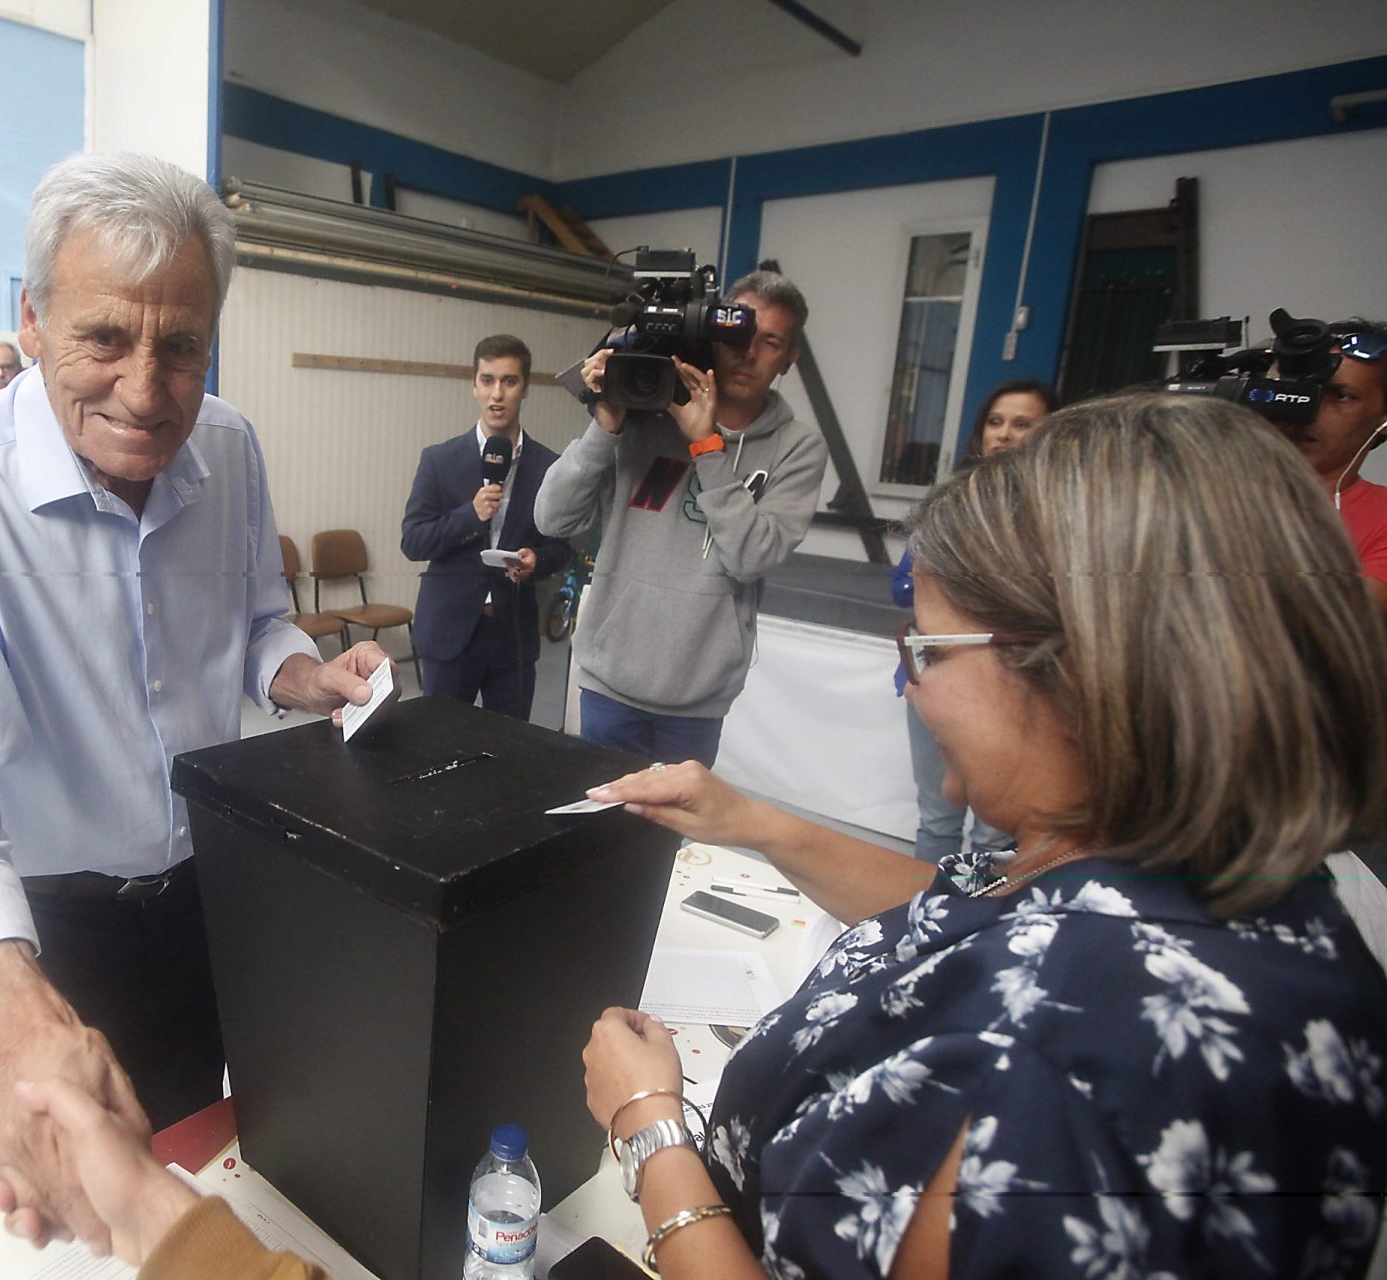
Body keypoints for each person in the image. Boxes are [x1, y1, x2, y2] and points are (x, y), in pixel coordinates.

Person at [574, 393, 1387, 1278]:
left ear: (1076, 668)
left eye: (927, 648)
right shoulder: (1215, 880)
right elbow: (979, 919)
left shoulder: (1063, 1085)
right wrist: (754, 821)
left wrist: (650, 1130)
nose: (909, 686)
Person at [0, 151, 384, 1251]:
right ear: (33, 319)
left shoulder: (228, 449)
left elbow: (254, 625)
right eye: (104, 338)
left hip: (205, 897)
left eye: (182, 345)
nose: (146, 391)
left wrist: (307, 675)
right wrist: (19, 1015)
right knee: (71, 1226)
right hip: (39, 934)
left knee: (199, 1174)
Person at [534, 270, 828, 768]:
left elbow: (751, 556)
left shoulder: (797, 449)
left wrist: (707, 447)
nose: (748, 352)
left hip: (697, 692)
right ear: (715, 335)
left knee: (669, 838)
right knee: (601, 835)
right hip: (611, 677)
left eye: (770, 342)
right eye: (738, 334)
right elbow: (551, 519)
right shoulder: (644, 414)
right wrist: (603, 428)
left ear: (789, 360)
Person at [889, 378, 1055, 862]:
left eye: (1022, 424)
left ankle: (979, 926)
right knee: (937, 818)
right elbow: (902, 586)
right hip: (934, 671)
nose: (1003, 434)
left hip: (1018, 685)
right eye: (996, 422)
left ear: (1050, 434)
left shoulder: (1058, 515)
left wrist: (956, 588)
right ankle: (927, 922)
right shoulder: (948, 505)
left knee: (995, 832)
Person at [401, 334, 572, 719]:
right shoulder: (439, 460)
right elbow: (413, 541)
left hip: (513, 635)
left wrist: (536, 561)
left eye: (509, 381)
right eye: (488, 380)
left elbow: (561, 547)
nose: (497, 394)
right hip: (449, 632)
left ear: (525, 388)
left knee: (509, 757)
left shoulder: (550, 467)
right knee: (438, 745)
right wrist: (469, 514)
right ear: (474, 385)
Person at [1281, 319, 1387, 620]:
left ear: (1383, 419)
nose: (1309, 409)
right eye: (1302, 390)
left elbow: (1344, 616)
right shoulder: (1217, 493)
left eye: (1340, 395)